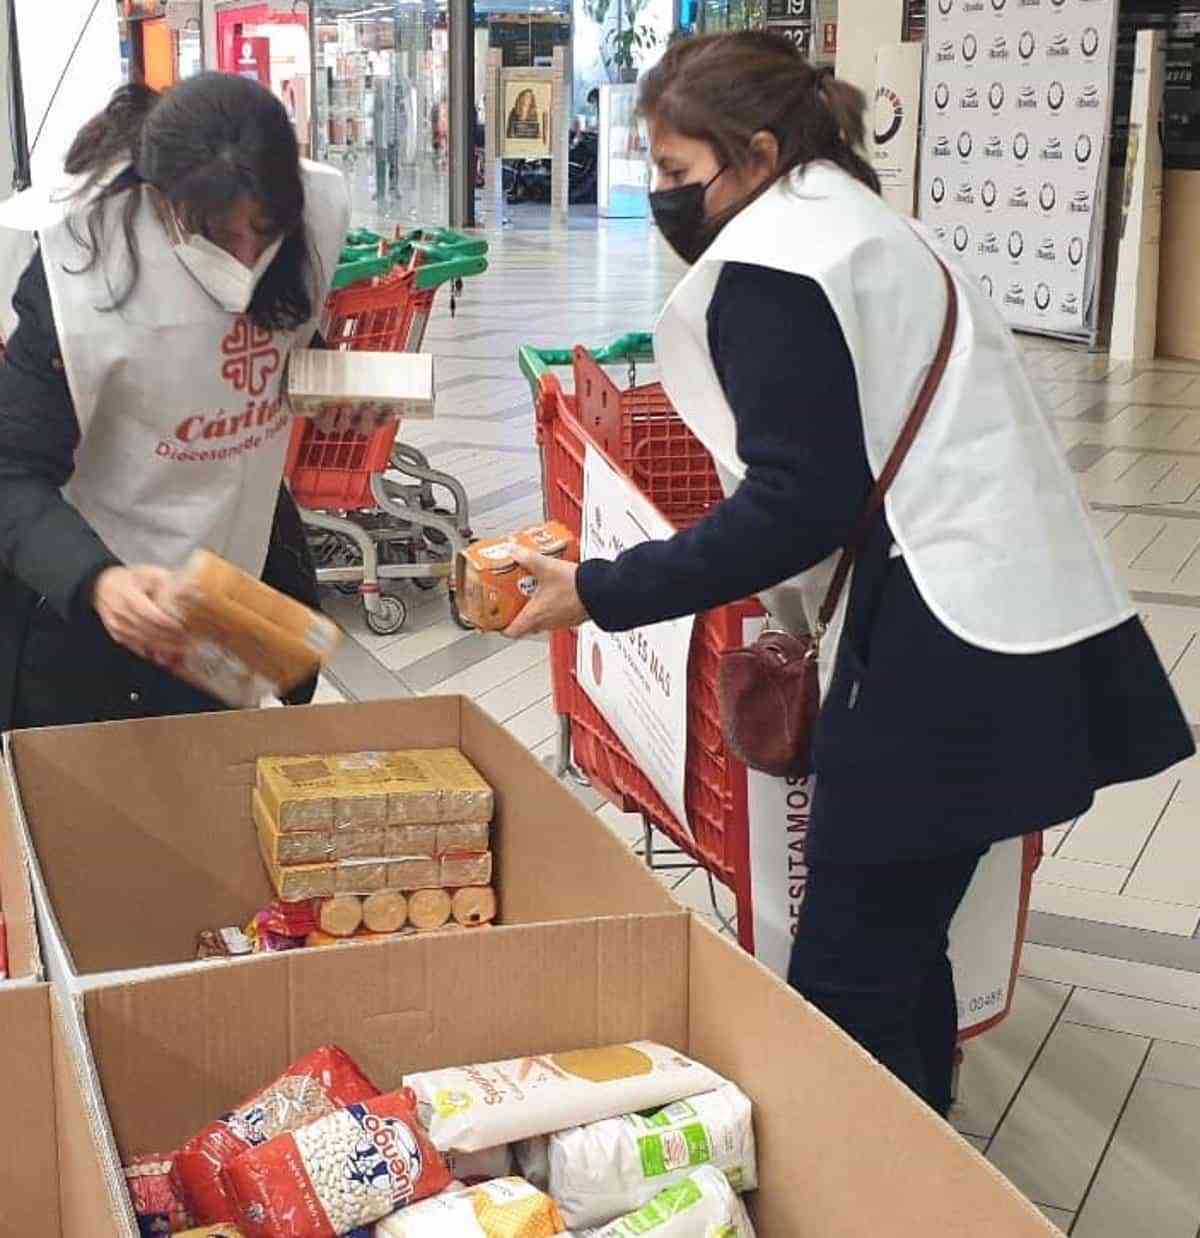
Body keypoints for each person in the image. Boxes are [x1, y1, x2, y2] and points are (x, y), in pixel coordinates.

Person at [503, 32, 1194, 1116]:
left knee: (848, 966)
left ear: (758, 152)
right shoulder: (867, 228)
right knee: (899, 940)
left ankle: (875, 1173)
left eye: (677, 170)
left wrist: (602, 589)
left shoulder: (778, 264)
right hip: (1016, 613)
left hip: (949, 641)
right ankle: (926, 1152)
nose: (663, 195)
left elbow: (796, 504)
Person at [0, 74, 362, 731]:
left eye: (265, 232)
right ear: (161, 198)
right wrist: (98, 581)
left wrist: (331, 387)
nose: (246, 259)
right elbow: (11, 472)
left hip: (226, 586)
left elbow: (287, 342)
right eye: (218, 236)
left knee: (214, 764)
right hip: (98, 598)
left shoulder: (314, 213)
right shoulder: (84, 270)